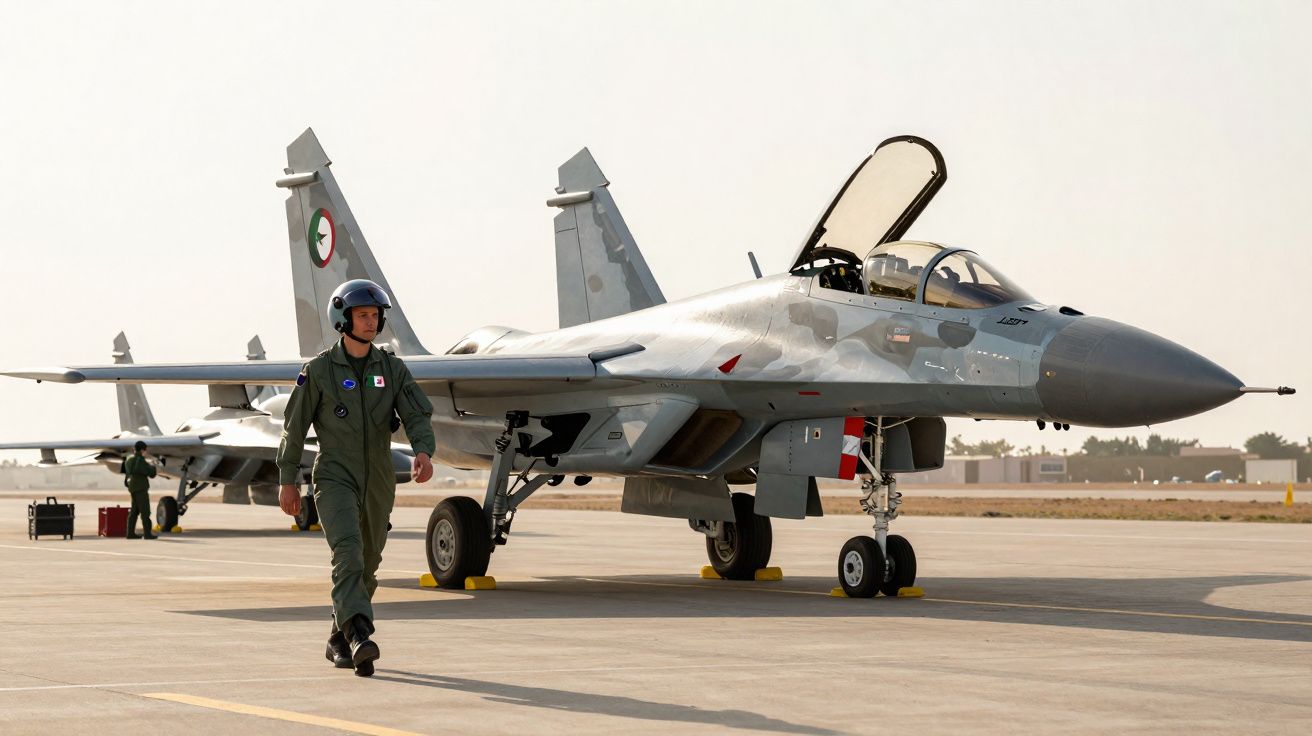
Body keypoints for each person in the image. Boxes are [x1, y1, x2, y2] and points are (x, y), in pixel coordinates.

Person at [276, 279, 436, 678]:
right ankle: (360, 634)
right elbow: (293, 429)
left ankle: (338, 636)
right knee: (347, 552)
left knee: (368, 564)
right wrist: (287, 479)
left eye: (375, 315)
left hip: (379, 475)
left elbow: (416, 413)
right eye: (362, 315)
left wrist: (422, 450)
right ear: (342, 319)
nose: (370, 321)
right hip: (334, 473)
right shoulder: (318, 371)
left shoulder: (392, 368)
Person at [122, 441, 157, 539]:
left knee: (134, 511)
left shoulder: (129, 460)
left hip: (132, 488)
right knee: (145, 511)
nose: (145, 452)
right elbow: (151, 473)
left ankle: (130, 533)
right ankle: (147, 534)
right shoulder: (140, 460)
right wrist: (153, 466)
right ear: (142, 450)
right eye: (145, 450)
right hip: (140, 488)